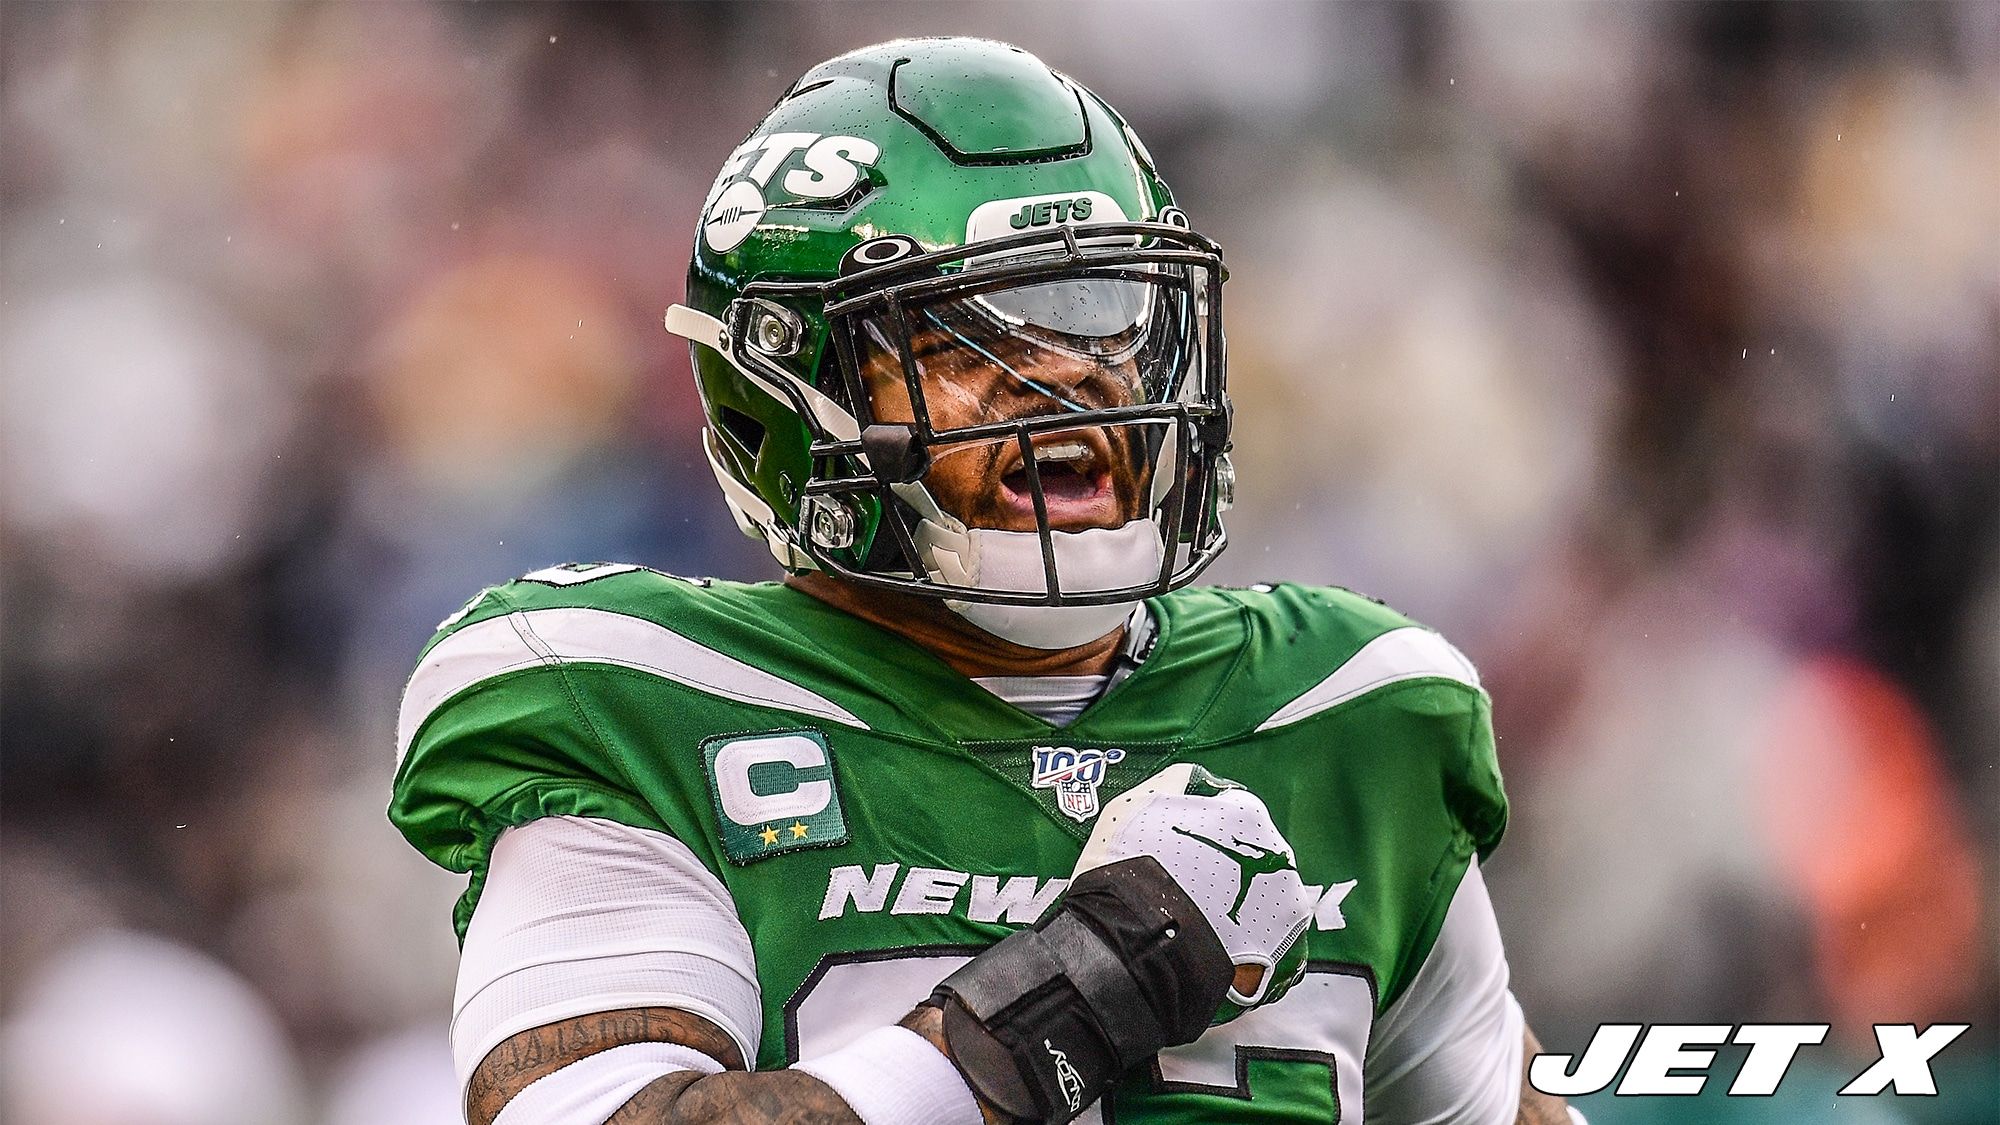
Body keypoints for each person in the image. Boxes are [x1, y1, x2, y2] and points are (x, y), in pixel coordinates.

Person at [390, 36, 1576, 1125]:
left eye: (1102, 316)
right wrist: (1071, 995)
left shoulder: (1348, 717)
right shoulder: (644, 710)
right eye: (960, 341)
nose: (1071, 383)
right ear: (788, 396)